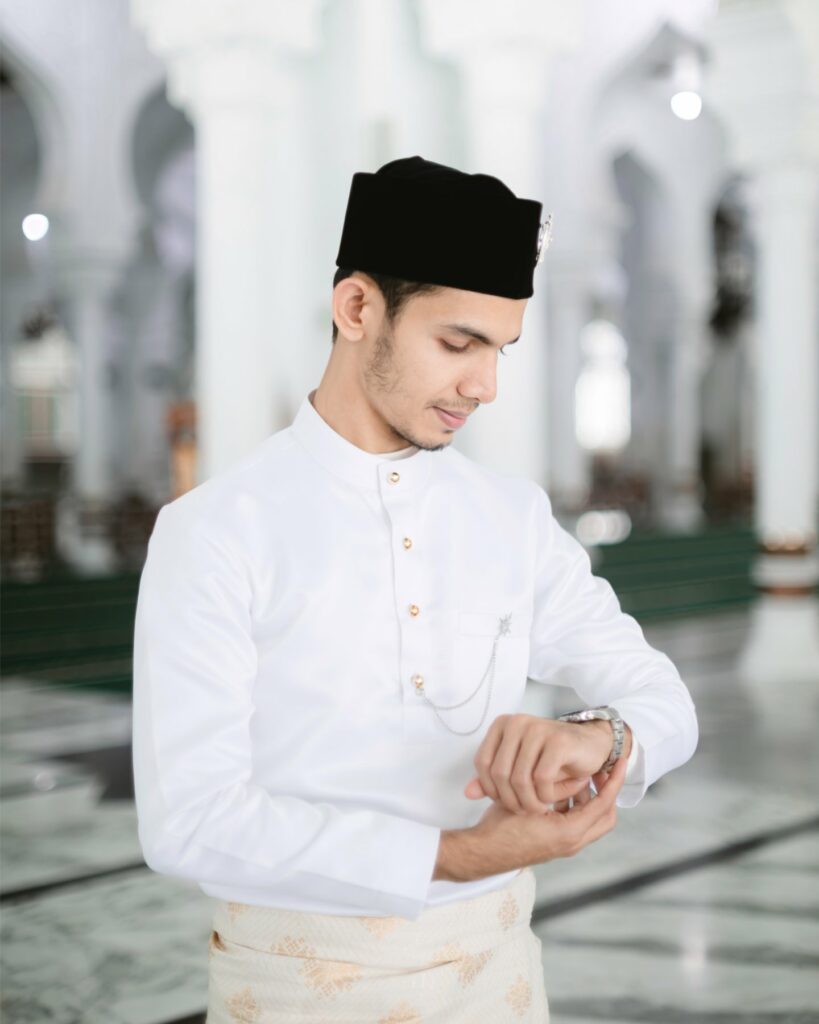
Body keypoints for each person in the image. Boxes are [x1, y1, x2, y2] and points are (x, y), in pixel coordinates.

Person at [131, 155, 698, 1023]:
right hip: (297, 990)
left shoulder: (510, 515)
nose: (485, 385)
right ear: (358, 309)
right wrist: (457, 856)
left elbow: (663, 700)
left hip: (500, 982)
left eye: (499, 350)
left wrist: (597, 735)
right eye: (458, 344)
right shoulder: (216, 530)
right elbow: (190, 822)